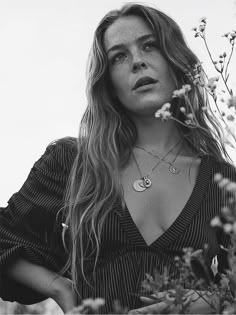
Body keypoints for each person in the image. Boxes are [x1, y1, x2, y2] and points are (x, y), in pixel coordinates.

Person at [0, 3, 236, 314]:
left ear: (174, 58)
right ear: (108, 82)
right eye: (118, 57)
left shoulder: (225, 183)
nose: (137, 62)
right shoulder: (72, 162)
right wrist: (59, 286)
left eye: (149, 46)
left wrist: (216, 301)